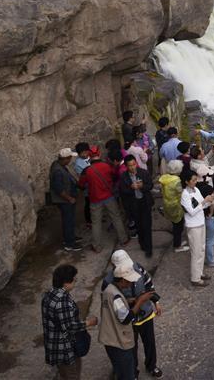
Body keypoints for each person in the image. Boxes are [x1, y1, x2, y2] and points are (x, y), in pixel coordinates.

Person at [101, 250, 163, 379]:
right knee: (130, 348)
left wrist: (156, 301)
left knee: (150, 343)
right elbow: (111, 304)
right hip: (128, 320)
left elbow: (149, 285)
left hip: (146, 315)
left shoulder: (138, 268)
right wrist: (135, 301)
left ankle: (152, 366)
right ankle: (133, 372)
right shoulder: (108, 283)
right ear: (113, 266)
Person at [42, 264, 97, 379]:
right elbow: (69, 327)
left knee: (66, 374)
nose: (75, 282)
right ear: (66, 283)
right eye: (74, 280)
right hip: (65, 348)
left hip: (54, 344)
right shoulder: (62, 302)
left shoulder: (49, 294)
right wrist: (88, 323)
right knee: (72, 375)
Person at [80, 147, 129, 252]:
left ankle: (97, 246)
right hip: (109, 196)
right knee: (116, 217)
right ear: (100, 153)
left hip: (94, 199)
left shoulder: (87, 171)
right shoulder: (107, 166)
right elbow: (114, 177)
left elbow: (81, 184)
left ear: (89, 156)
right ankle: (123, 239)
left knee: (96, 223)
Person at [180, 168, 214, 287]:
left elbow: (201, 205)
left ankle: (199, 272)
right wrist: (204, 202)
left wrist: (209, 201)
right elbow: (191, 211)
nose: (196, 181)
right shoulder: (185, 195)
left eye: (196, 179)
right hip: (193, 225)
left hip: (200, 222)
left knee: (202, 249)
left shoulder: (196, 189)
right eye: (193, 180)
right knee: (196, 252)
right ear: (186, 182)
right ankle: (195, 278)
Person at [119, 156, 154, 258]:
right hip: (134, 204)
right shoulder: (124, 177)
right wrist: (131, 188)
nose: (132, 167)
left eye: (134, 164)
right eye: (130, 165)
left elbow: (150, 186)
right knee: (139, 226)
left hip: (145, 202)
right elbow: (123, 191)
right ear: (126, 166)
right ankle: (142, 244)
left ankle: (149, 249)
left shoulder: (143, 172)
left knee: (147, 226)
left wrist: (142, 186)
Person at [50, 148, 82, 252]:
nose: (71, 160)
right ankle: (69, 243)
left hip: (66, 199)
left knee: (69, 220)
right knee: (68, 221)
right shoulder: (58, 171)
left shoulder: (59, 165)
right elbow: (58, 188)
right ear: (66, 158)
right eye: (70, 158)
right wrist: (70, 198)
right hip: (64, 201)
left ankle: (70, 237)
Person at [159, 160, 188, 252]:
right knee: (178, 226)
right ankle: (177, 246)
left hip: (167, 203)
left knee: (174, 223)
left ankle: (177, 242)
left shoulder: (164, 178)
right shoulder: (176, 181)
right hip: (176, 205)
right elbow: (180, 193)